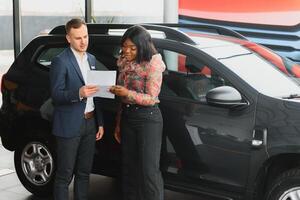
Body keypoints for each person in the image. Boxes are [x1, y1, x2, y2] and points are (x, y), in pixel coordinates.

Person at [49, 18, 104, 200]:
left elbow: (96, 93)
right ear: (68, 38)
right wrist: (78, 93)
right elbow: (56, 95)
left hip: (90, 123)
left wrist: (100, 123)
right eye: (78, 38)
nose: (83, 41)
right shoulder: (60, 61)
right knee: (64, 175)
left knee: (84, 173)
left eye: (86, 36)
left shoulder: (92, 59)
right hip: (68, 125)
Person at [109, 25, 166, 200]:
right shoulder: (124, 61)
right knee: (129, 169)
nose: (127, 51)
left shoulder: (154, 63)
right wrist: (118, 123)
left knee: (149, 171)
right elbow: (122, 98)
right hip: (127, 116)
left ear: (143, 47)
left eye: (132, 48)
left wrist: (127, 93)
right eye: (125, 46)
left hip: (148, 118)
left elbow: (151, 98)